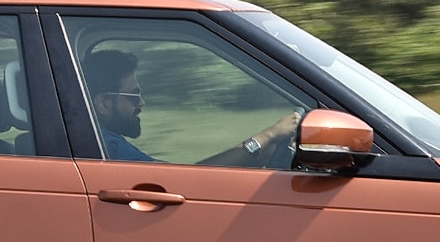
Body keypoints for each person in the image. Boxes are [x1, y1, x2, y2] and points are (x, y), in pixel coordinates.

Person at [81, 48, 301, 167]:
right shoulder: (109, 146)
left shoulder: (102, 141)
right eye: (133, 95)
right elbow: (184, 182)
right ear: (103, 103)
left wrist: (260, 155)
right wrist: (269, 136)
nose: (141, 103)